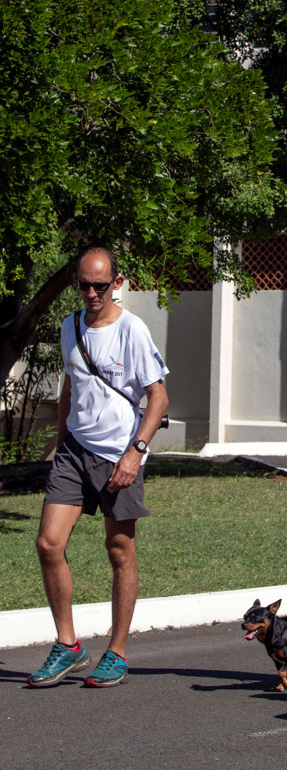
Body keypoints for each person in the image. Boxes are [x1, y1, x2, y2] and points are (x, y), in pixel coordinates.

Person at [27, 246, 169, 689]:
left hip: (118, 455)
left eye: (100, 286)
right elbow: (72, 382)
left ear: (117, 283)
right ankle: (68, 646)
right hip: (74, 451)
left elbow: (158, 396)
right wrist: (62, 438)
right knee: (49, 544)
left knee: (119, 550)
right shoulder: (70, 326)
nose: (92, 293)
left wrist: (136, 452)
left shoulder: (132, 330)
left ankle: (117, 652)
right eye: (84, 285)